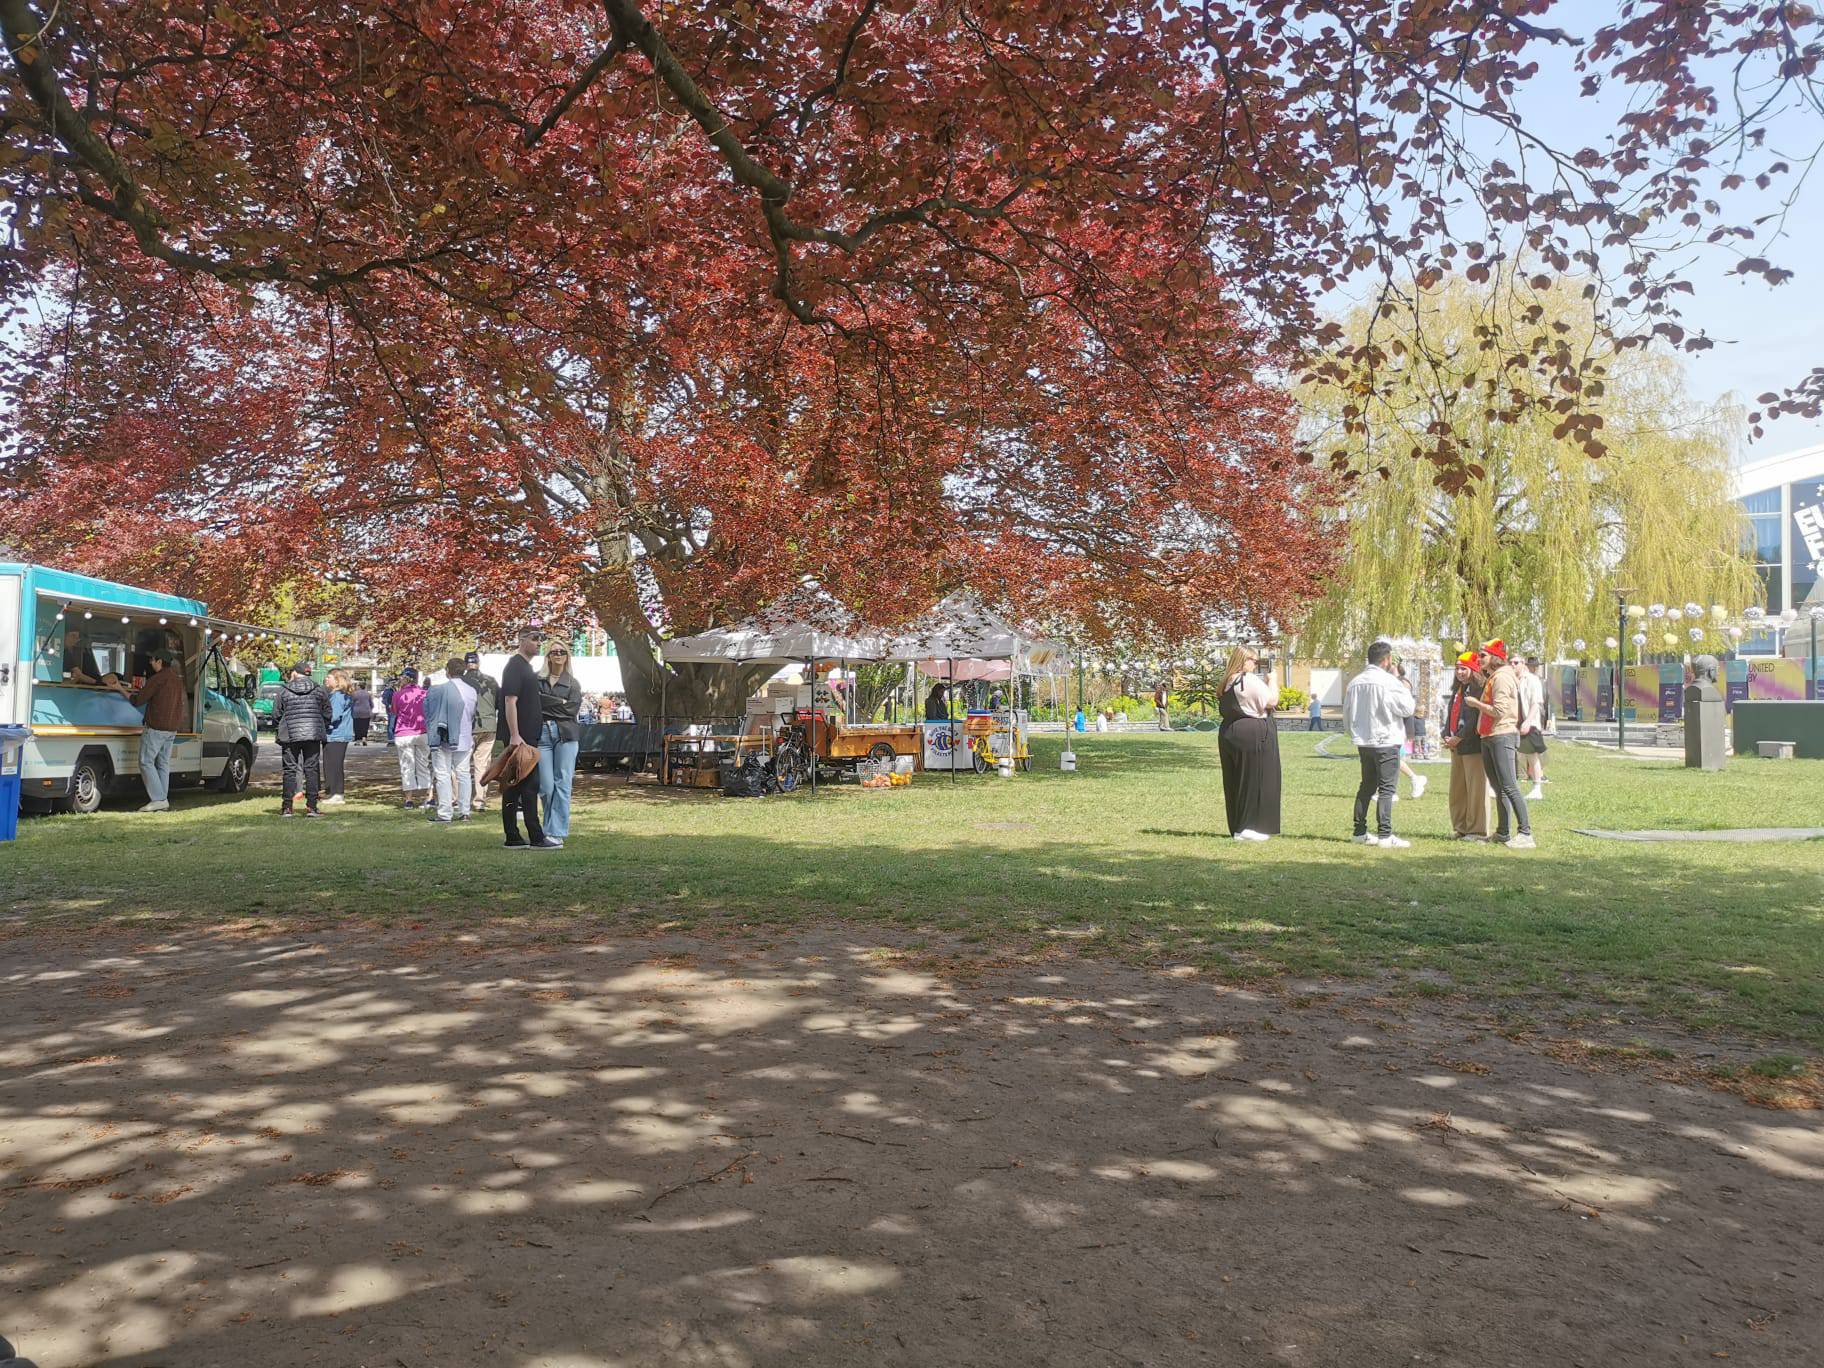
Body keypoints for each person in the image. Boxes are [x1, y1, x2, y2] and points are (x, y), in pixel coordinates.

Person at [1343, 640, 1415, 848]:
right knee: (1386, 788)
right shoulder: (1389, 682)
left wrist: (1354, 733)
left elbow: (1347, 713)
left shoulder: (1355, 682)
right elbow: (1407, 707)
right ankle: (1385, 834)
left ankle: (1359, 830)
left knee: (1366, 786)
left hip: (1364, 741)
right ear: (1387, 659)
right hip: (1386, 739)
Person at [1465, 640, 1534, 848]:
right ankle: (1503, 832)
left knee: (1510, 785)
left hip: (1502, 734)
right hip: (1490, 735)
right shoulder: (1495, 676)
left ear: (1494, 657)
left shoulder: (1502, 677)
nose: (1479, 659)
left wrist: (1476, 704)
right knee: (1498, 786)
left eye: (1483, 655)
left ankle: (1526, 833)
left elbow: (1500, 711)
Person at [498, 626, 555, 849]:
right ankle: (536, 837)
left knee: (514, 787)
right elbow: (509, 701)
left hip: (526, 737)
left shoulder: (525, 668)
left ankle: (513, 836)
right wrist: (515, 735)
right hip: (520, 739)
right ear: (522, 640)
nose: (538, 643)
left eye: (540, 639)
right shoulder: (515, 667)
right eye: (534, 638)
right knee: (530, 786)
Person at [1215, 645, 1280, 841]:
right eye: (1252, 660)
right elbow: (1272, 701)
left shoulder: (1227, 682)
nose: (1255, 664)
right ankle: (1248, 827)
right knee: (1253, 778)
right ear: (1244, 661)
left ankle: (1238, 826)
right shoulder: (1247, 679)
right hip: (1251, 732)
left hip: (1229, 731)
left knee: (1235, 780)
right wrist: (1273, 681)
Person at [115, 649, 186, 812]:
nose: (150, 663)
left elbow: (137, 700)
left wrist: (119, 688)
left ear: (160, 661)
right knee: (163, 764)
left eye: (152, 660)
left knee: (146, 761)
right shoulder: (177, 680)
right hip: (172, 729)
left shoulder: (157, 679)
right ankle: (163, 799)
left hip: (156, 727)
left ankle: (158, 798)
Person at [271, 660, 331, 817]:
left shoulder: (283, 690)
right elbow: (327, 713)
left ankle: (287, 807)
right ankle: (312, 807)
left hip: (290, 734)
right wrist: (320, 726)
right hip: (313, 734)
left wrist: (282, 725)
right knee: (312, 769)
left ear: (294, 673)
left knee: (289, 770)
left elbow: (276, 714)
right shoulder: (319, 690)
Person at [537, 645, 583, 848]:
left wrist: (548, 703)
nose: (558, 655)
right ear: (547, 656)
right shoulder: (537, 679)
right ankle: (549, 828)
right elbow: (535, 702)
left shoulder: (572, 683)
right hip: (542, 734)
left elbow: (572, 708)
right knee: (546, 785)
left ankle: (555, 832)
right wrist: (559, 703)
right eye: (554, 652)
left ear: (567, 656)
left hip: (566, 734)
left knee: (563, 783)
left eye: (562, 652)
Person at [1442, 651, 1490, 841]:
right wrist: (1446, 734)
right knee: (1458, 789)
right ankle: (1461, 826)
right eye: (1457, 669)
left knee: (1476, 789)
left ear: (1474, 669)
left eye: (1464, 668)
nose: (1460, 672)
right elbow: (1451, 714)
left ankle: (1477, 830)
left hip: (1472, 745)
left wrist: (1459, 737)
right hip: (1456, 745)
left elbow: (1474, 719)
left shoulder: (1479, 689)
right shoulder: (1458, 689)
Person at [424, 655, 477, 823]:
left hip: (444, 736)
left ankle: (445, 812)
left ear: (448, 671)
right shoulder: (471, 690)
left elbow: (430, 712)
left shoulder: (440, 690)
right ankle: (464, 811)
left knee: (443, 774)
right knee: (463, 774)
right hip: (465, 735)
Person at [463, 652, 500, 811]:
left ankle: (460, 800)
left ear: (466, 664)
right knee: (482, 765)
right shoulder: (490, 681)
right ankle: (479, 801)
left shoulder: (461, 681)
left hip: (468, 726)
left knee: (461, 764)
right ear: (479, 663)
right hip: (488, 725)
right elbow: (499, 703)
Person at [391, 667, 431, 808]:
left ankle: (409, 799)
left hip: (403, 732)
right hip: (422, 731)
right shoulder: (424, 694)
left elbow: (395, 711)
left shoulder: (398, 695)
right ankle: (428, 797)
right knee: (423, 764)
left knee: (406, 766)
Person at [1394, 665, 1429, 800]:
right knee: (1393, 760)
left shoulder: (1402, 683)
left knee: (1393, 759)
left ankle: (1414, 779)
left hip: (1398, 729)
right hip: (1395, 728)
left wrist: (1409, 733)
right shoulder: (1392, 682)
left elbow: (1407, 709)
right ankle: (1388, 790)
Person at [1519, 655, 1549, 801]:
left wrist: (1528, 721)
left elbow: (1537, 702)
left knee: (1532, 754)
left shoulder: (1533, 680)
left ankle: (1537, 785)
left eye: (1516, 662)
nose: (1535, 668)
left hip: (1529, 723)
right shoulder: (1516, 679)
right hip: (1517, 722)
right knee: (1521, 755)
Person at [322, 669, 355, 805]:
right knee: (333, 764)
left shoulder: (337, 696)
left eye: (328, 677)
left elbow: (333, 716)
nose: (326, 679)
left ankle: (337, 793)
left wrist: (321, 720)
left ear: (337, 680)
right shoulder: (343, 695)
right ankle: (332, 792)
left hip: (336, 734)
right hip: (339, 734)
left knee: (333, 765)